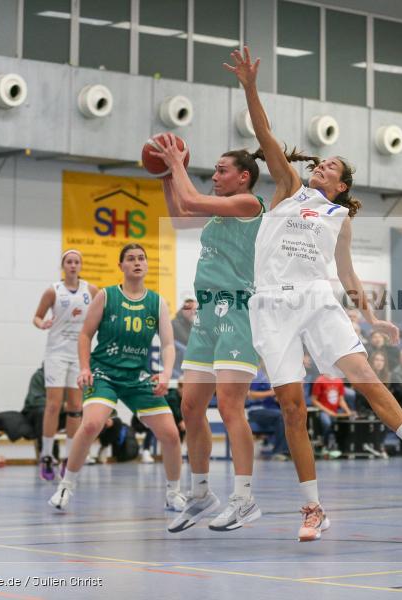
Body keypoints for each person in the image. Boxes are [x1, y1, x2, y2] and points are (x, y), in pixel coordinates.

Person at [226, 46, 402, 542]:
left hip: (316, 299)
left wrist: (372, 319)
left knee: (364, 375)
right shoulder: (289, 187)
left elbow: (348, 275)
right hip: (271, 305)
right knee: (292, 408)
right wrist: (250, 87)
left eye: (331, 166)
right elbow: (266, 136)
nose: (322, 166)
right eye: (322, 162)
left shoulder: (339, 218)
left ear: (342, 185)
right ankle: (313, 508)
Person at [151, 135, 267, 533]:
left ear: (243, 177)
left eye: (221, 170)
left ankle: (244, 499)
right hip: (206, 315)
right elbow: (180, 214)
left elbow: (192, 198)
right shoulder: (218, 214)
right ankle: (201, 494)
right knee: (190, 407)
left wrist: (176, 162)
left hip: (238, 311)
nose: (214, 176)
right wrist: (166, 175)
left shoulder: (249, 205)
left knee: (231, 407)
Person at [48, 244, 184, 517]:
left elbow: (169, 345)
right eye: (131, 259)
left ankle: (173, 493)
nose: (137, 262)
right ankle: (65, 486)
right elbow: (85, 335)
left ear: (146, 265)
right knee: (91, 425)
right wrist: (84, 368)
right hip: (105, 372)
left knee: (170, 434)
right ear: (121, 266)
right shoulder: (106, 296)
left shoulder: (156, 302)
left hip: (137, 376)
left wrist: (167, 373)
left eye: (141, 258)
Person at [32, 250, 98, 481]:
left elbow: (103, 314)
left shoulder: (91, 290)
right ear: (63, 265)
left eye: (76, 262)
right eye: (69, 261)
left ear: (81, 265)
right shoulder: (53, 291)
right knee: (53, 405)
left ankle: (69, 456)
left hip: (79, 354)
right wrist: (42, 323)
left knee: (75, 406)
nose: (72, 265)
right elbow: (37, 317)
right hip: (56, 353)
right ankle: (46, 455)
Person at [246, 368, 290, 460]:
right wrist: (272, 393)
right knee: (280, 416)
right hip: (256, 410)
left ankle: (290, 449)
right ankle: (280, 451)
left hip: (271, 410)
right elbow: (249, 394)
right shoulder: (256, 375)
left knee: (290, 414)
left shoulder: (272, 375)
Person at [310, 373, 354, 456]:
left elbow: (341, 399)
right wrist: (328, 412)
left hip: (335, 411)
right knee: (327, 423)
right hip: (323, 411)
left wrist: (348, 411)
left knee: (345, 422)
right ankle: (326, 445)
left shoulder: (339, 381)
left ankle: (341, 446)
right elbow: (314, 400)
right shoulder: (319, 381)